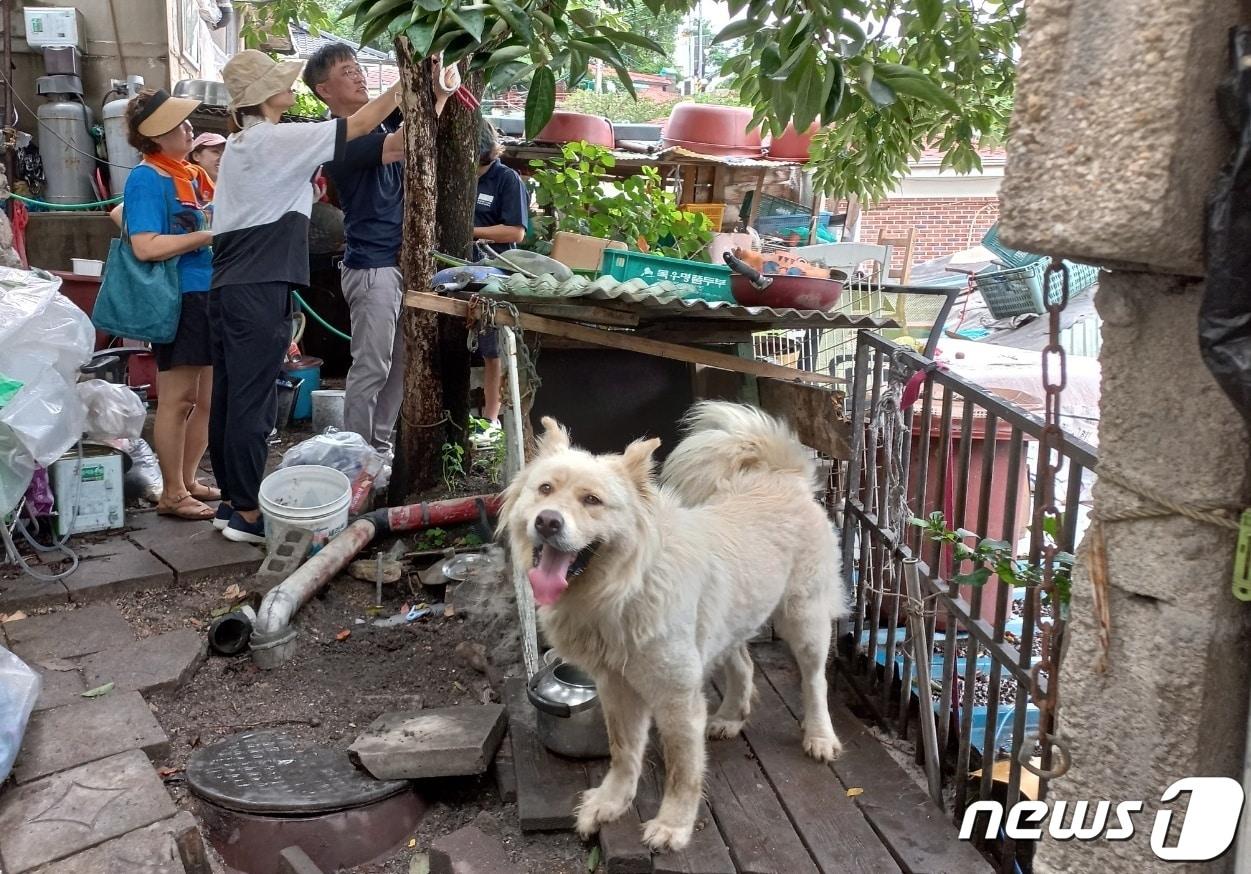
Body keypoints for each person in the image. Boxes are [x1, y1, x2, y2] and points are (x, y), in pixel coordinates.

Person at [208, 49, 405, 544]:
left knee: (231, 397)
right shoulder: (274, 138)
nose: (288, 86)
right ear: (263, 97)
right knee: (252, 405)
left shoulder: (244, 143)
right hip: (260, 283)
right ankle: (249, 515)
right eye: (280, 81)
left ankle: (232, 501)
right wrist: (408, 85)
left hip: (231, 282)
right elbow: (357, 125)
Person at [302, 44, 456, 453]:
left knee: (400, 363)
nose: (358, 76)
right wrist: (423, 85)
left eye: (358, 68)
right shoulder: (336, 140)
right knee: (372, 366)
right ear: (324, 90)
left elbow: (415, 139)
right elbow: (405, 144)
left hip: (398, 262)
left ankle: (380, 450)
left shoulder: (377, 129)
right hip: (372, 268)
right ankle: (357, 453)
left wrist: (439, 93)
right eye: (346, 71)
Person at [122, 89, 217, 520]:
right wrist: (206, 237)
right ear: (156, 135)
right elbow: (144, 245)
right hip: (179, 297)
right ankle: (172, 492)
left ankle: (189, 479)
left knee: (206, 397)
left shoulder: (190, 174)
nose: (188, 128)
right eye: (179, 124)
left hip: (207, 292)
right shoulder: (147, 177)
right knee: (177, 398)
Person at [472, 121, 529, 439]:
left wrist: (471, 231)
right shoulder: (456, 176)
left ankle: (490, 420)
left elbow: (515, 232)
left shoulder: (505, 178)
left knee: (491, 347)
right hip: (454, 270)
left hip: (493, 271)